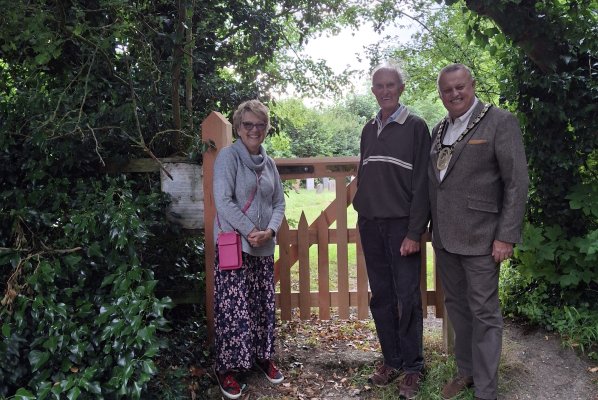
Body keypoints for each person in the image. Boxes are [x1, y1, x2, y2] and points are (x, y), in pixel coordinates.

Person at [428, 64, 529, 400]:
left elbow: (516, 182)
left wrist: (506, 235)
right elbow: (436, 184)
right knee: (457, 308)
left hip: (483, 239)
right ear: (441, 94)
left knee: (485, 313)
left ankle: (487, 390)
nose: (454, 94)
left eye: (460, 87)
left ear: (472, 85)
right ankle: (466, 372)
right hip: (444, 238)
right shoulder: (440, 129)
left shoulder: (500, 121)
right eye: (447, 90)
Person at [352, 61, 431, 399]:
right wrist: (361, 208)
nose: (385, 90)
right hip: (371, 224)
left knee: (407, 297)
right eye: (379, 86)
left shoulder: (416, 126)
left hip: (402, 226)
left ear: (401, 88)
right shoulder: (369, 128)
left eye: (391, 85)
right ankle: (391, 360)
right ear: (373, 91)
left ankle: (413, 367)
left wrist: (415, 232)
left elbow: (423, 184)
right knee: (381, 295)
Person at [212, 99, 286, 399]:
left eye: (260, 124)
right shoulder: (228, 158)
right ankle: (226, 369)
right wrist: (250, 230)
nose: (254, 130)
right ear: (239, 127)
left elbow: (279, 202)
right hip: (235, 248)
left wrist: (270, 230)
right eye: (248, 125)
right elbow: (223, 201)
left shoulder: (269, 163)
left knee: (261, 306)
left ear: (266, 128)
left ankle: (261, 357)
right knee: (233, 309)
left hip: (263, 247)